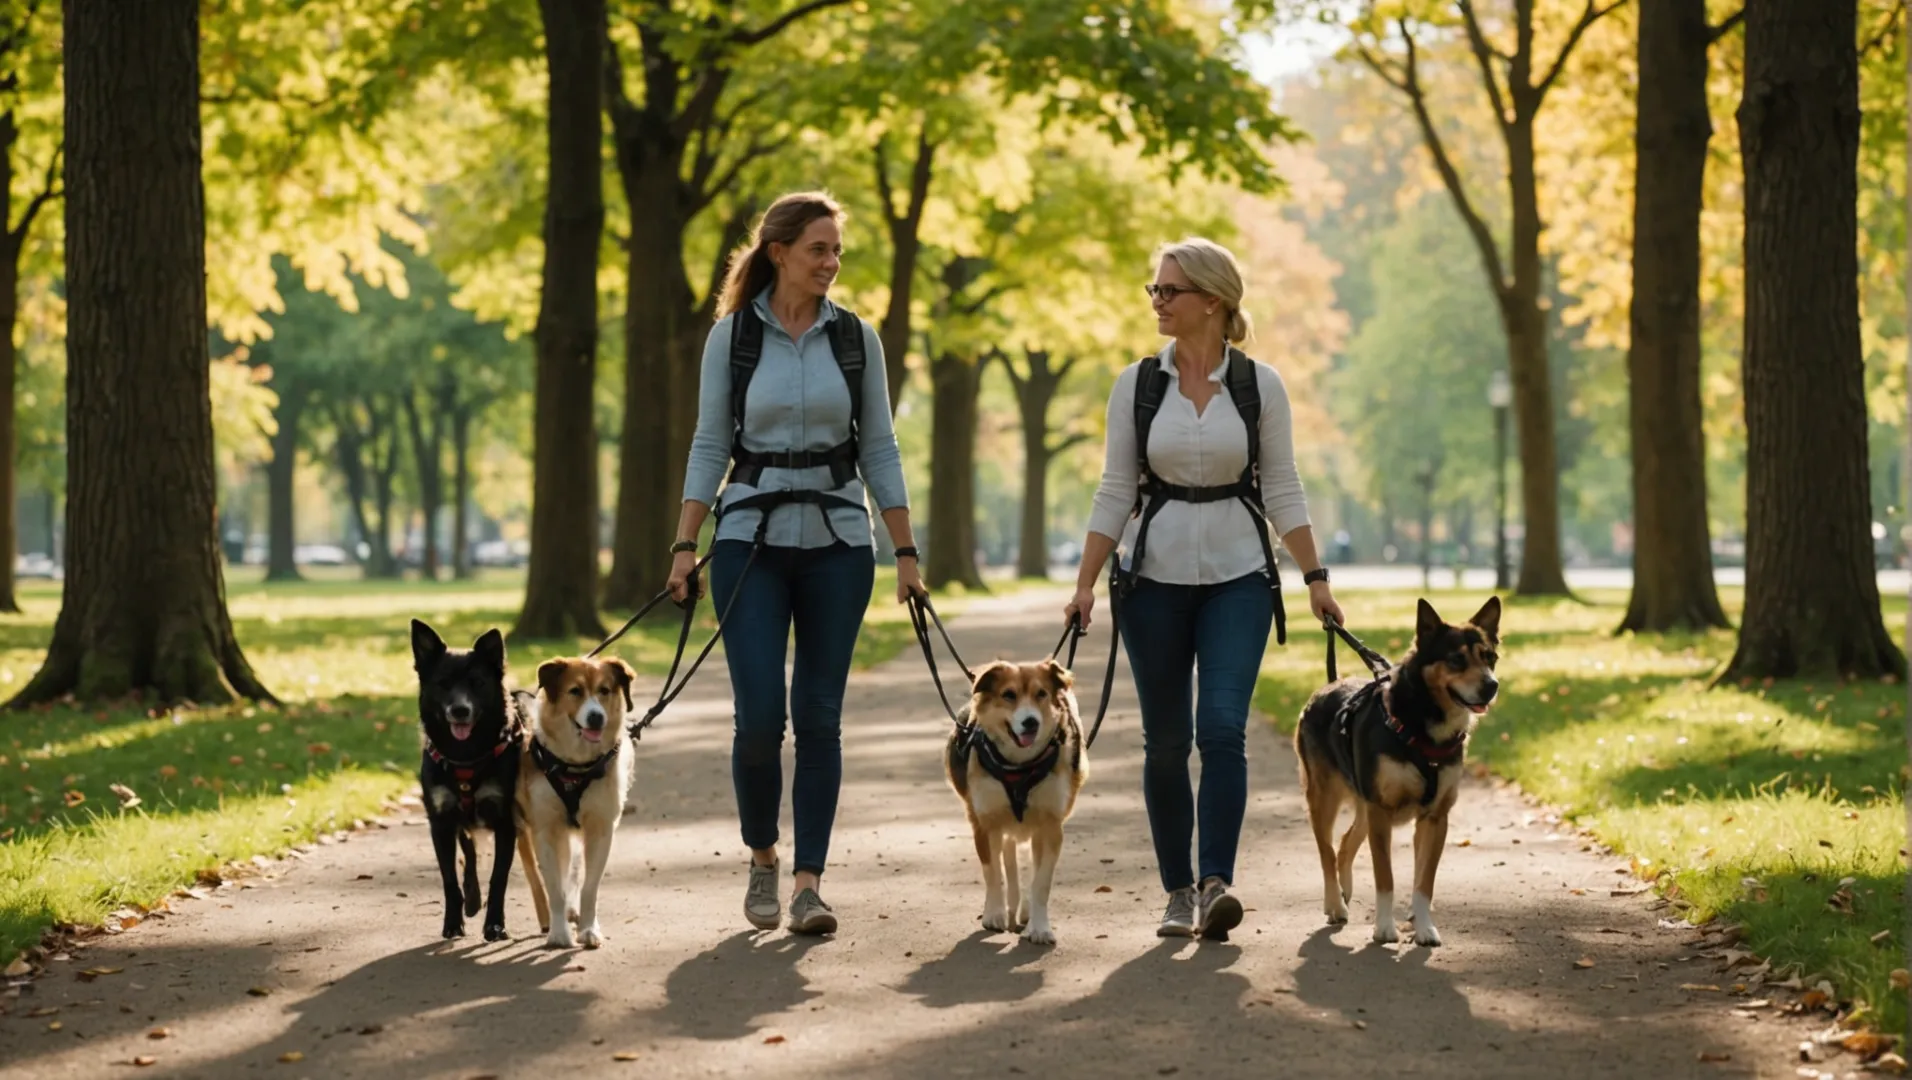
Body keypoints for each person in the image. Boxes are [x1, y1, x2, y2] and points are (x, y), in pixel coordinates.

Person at [1064, 237, 1343, 940]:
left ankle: (1217, 880)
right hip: (1151, 582)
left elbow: (1281, 485)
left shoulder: (1259, 386)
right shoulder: (1136, 385)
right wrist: (1085, 584)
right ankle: (1177, 890)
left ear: (1212, 300)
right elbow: (1114, 488)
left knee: (1221, 729)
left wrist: (1315, 578)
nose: (1156, 302)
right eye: (1153, 290)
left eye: (1169, 291)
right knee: (1165, 741)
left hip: (1238, 581)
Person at [666, 191, 922, 935]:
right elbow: (711, 444)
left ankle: (809, 881)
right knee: (758, 720)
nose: (832, 263)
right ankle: (763, 856)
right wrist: (685, 545)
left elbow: (879, 446)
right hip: (750, 543)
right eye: (819, 249)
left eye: (837, 250)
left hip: (841, 544)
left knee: (819, 718)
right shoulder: (733, 339)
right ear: (779, 252)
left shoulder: (856, 339)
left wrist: (905, 552)